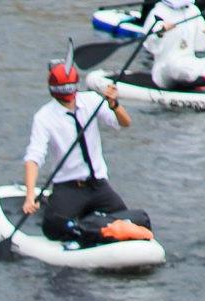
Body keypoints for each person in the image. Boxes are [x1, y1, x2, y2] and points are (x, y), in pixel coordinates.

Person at [20, 62, 139, 243]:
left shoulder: (91, 100)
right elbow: (34, 157)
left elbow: (124, 123)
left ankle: (91, 226)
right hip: (68, 186)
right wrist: (30, 195)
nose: (68, 98)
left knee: (127, 220)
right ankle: (81, 228)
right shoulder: (44, 117)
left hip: (97, 184)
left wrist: (114, 104)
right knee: (53, 227)